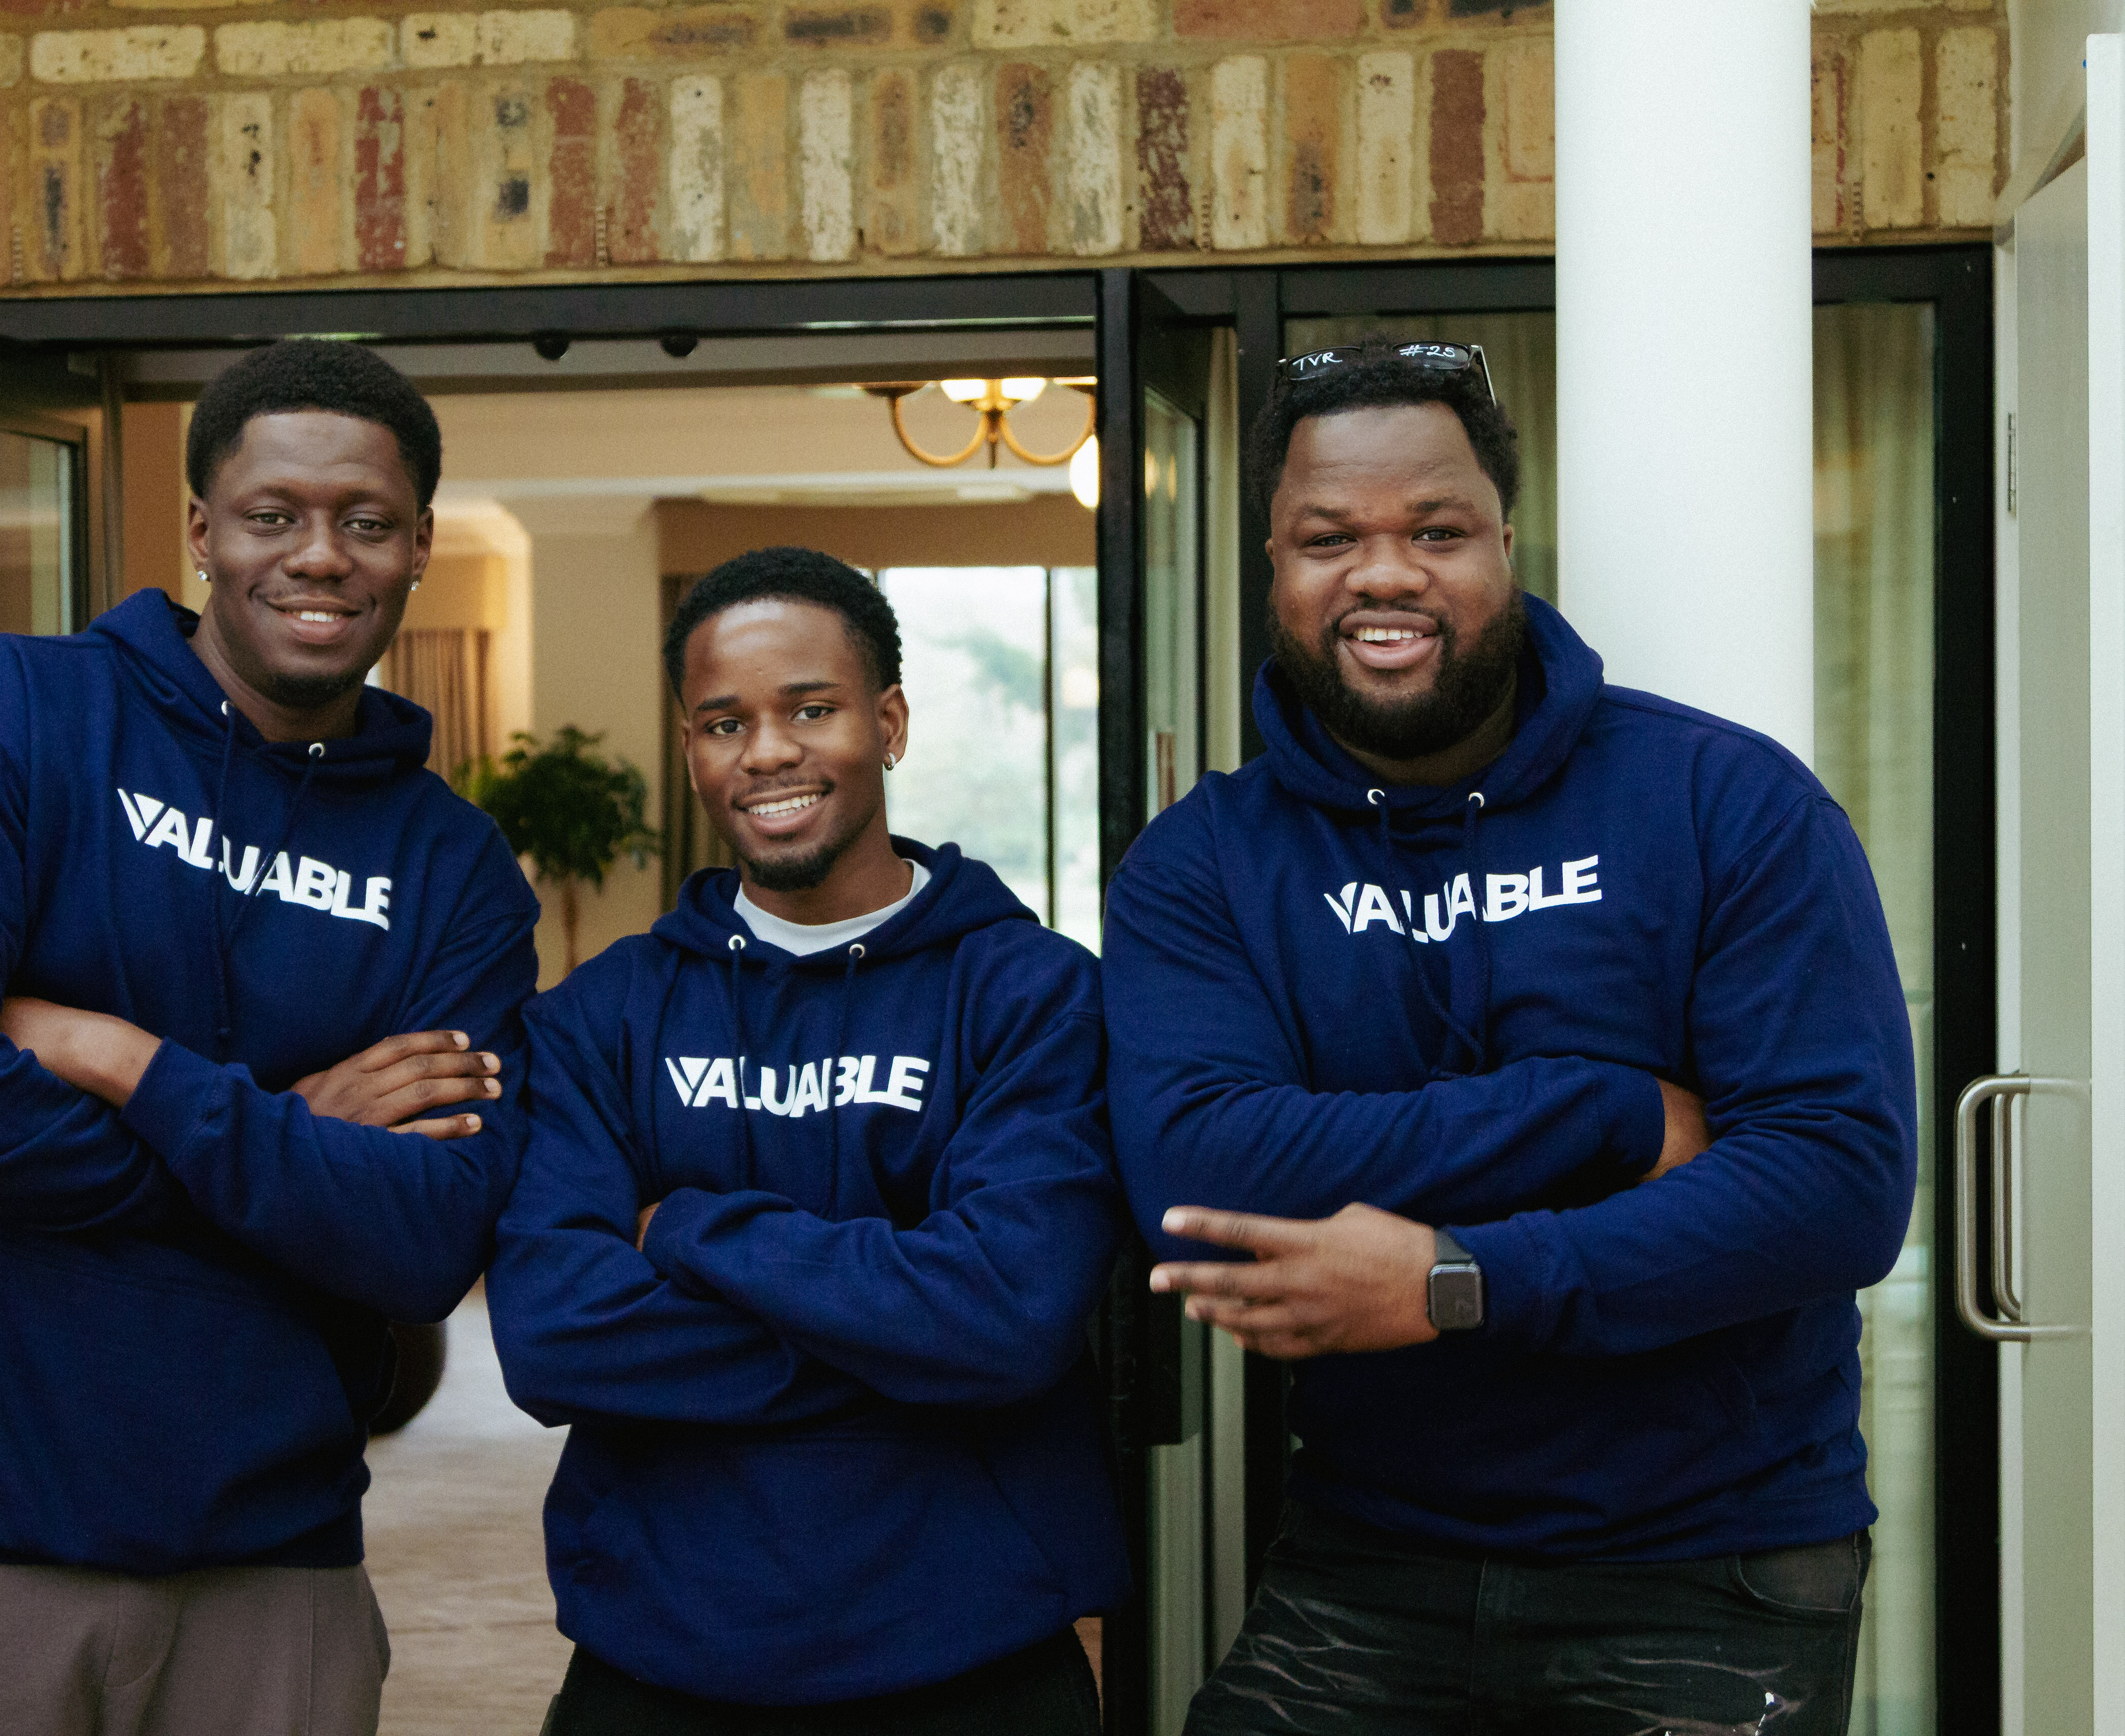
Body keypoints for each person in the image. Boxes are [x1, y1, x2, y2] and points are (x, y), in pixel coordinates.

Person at [1106, 339, 1916, 1735]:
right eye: (1327, 538)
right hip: (1371, 1560)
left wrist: (1455, 1279)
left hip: (1708, 1571)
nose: (1383, 574)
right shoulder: (1204, 865)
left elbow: (1833, 1186)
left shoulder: (1727, 803)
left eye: (1435, 530)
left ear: (1505, 543)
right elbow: (1207, 1167)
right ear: (1273, 564)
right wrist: (1610, 1114)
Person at [0, 340, 540, 1736]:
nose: (319, 556)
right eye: (272, 516)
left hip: (269, 1567)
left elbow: (431, 1237)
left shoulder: (453, 868)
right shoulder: (7, 717)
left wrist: (135, 1068)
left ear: (419, 543)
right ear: (200, 531)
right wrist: (293, 1142)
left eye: (366, 522)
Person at [487, 547, 1128, 1735]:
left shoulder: (1035, 996)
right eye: (725, 721)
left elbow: (1010, 1317)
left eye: (812, 709)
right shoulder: (599, 1016)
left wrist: (683, 1229)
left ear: (887, 722)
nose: (768, 751)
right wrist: (900, 1333)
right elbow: (551, 1338)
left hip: (975, 1664)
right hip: (659, 1663)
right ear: (691, 751)